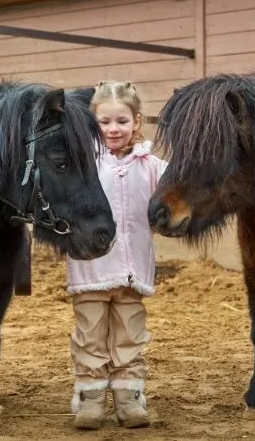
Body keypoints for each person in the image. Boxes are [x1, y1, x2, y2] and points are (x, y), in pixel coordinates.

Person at [66, 80, 168, 429]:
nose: (113, 129)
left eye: (122, 121)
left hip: (133, 271)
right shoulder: (84, 166)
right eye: (104, 122)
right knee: (90, 335)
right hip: (90, 269)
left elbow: (175, 194)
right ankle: (90, 399)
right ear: (93, 123)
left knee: (130, 335)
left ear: (137, 122)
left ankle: (129, 398)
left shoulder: (153, 166)